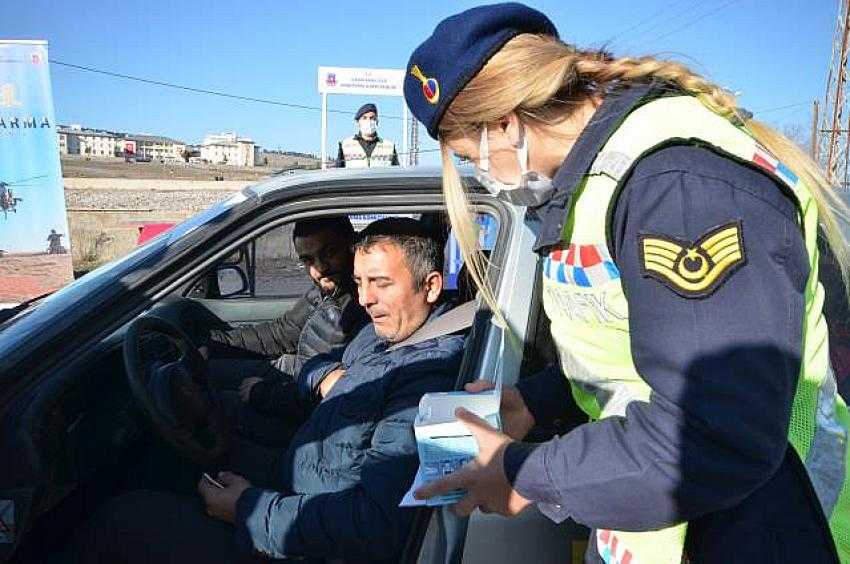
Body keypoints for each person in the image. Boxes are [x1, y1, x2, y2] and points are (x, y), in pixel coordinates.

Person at [402, 4, 850, 563]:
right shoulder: (602, 179)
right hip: (665, 525)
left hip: (767, 529)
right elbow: (643, 343)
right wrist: (534, 403)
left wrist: (522, 474)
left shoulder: (680, 189)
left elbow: (715, 433)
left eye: (472, 158)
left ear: (505, 124)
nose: (484, 174)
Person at [77, 217, 466, 563]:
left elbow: (377, 527)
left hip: (305, 533)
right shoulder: (380, 334)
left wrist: (248, 508)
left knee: (122, 519)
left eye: (380, 283)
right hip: (298, 475)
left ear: (431, 286)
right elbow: (318, 364)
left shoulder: (432, 381)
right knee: (168, 462)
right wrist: (322, 378)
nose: (364, 299)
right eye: (361, 282)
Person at [204, 216, 368, 438]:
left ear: (352, 245)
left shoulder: (367, 307)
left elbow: (332, 390)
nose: (319, 270)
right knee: (206, 373)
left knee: (211, 406)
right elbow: (282, 333)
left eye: (329, 253)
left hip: (307, 417)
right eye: (308, 260)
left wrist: (262, 393)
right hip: (294, 378)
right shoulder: (327, 292)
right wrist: (213, 343)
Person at [336, 103, 399, 168]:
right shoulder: (345, 145)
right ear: (358, 122)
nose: (368, 121)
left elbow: (397, 173)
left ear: (377, 121)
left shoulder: (389, 146)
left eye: (372, 118)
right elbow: (338, 173)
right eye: (364, 118)